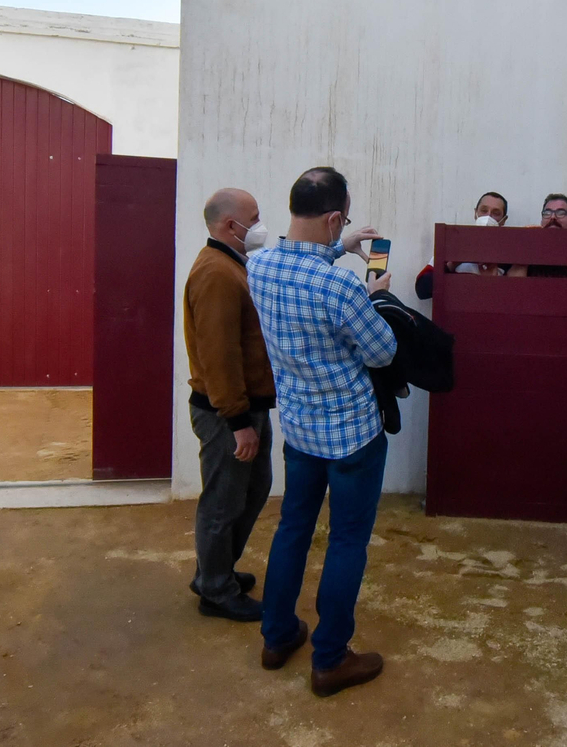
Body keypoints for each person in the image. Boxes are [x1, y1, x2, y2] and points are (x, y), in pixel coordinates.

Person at [248, 167, 398, 698]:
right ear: (335, 217)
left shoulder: (259, 266)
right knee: (346, 541)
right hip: (353, 434)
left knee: (293, 528)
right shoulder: (342, 285)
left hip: (300, 429)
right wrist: (375, 293)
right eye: (345, 223)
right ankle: (330, 659)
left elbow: (301, 268)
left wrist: (340, 247)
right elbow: (383, 351)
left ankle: (277, 635)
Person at [183, 188, 276, 623]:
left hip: (246, 407)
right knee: (222, 502)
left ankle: (215, 573)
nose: (260, 225)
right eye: (253, 218)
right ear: (229, 226)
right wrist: (239, 422)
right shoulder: (217, 274)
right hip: (228, 414)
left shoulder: (232, 265)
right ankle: (215, 590)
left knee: (251, 491)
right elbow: (219, 356)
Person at [415, 191, 508, 300]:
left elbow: (516, 300)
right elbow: (422, 290)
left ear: (503, 220)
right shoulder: (452, 247)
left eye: (496, 213)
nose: (488, 217)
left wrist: (491, 280)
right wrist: (454, 262)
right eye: (483, 210)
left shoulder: (510, 256)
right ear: (475, 213)